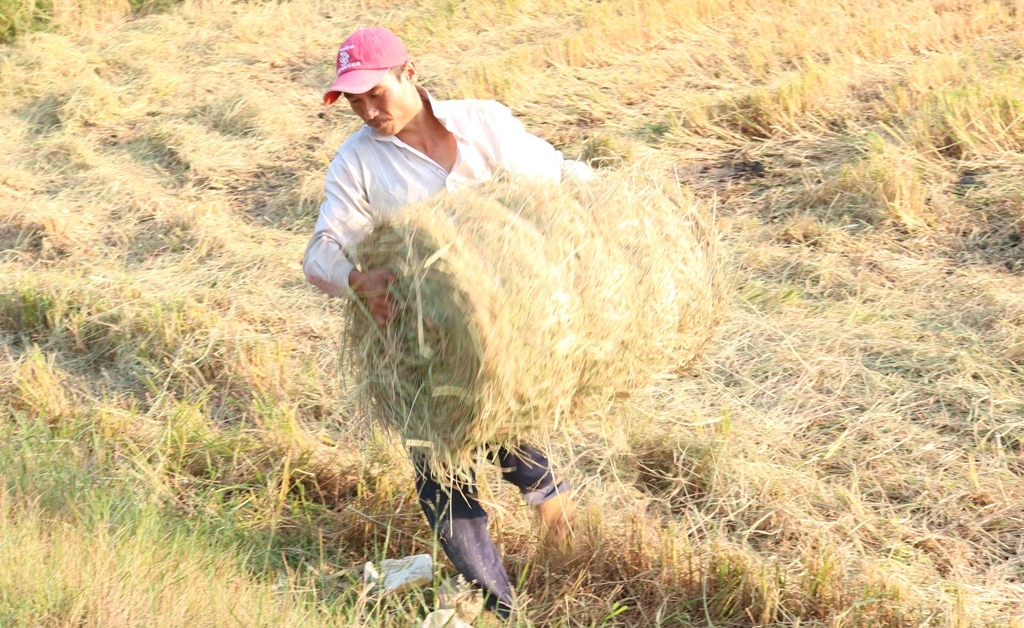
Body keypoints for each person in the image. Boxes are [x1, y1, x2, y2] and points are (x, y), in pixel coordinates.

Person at [302, 27, 589, 618]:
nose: (367, 110)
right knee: (440, 473)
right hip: (418, 340)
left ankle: (557, 525)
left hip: (509, 324)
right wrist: (355, 280)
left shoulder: (484, 124)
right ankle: (500, 606)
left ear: (409, 73)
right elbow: (320, 249)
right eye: (354, 101)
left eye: (375, 92)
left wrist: (621, 213)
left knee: (507, 424)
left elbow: (558, 177)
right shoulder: (357, 161)